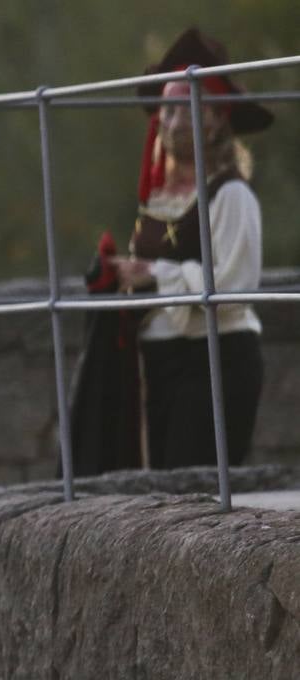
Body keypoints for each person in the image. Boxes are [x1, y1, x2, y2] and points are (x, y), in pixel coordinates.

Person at [69, 27, 271, 474]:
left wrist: (155, 274)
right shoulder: (158, 197)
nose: (171, 119)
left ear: (215, 117)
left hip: (213, 363)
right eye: (168, 106)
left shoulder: (231, 196)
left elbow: (234, 287)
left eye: (184, 107)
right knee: (156, 491)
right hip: (159, 365)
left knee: (191, 496)